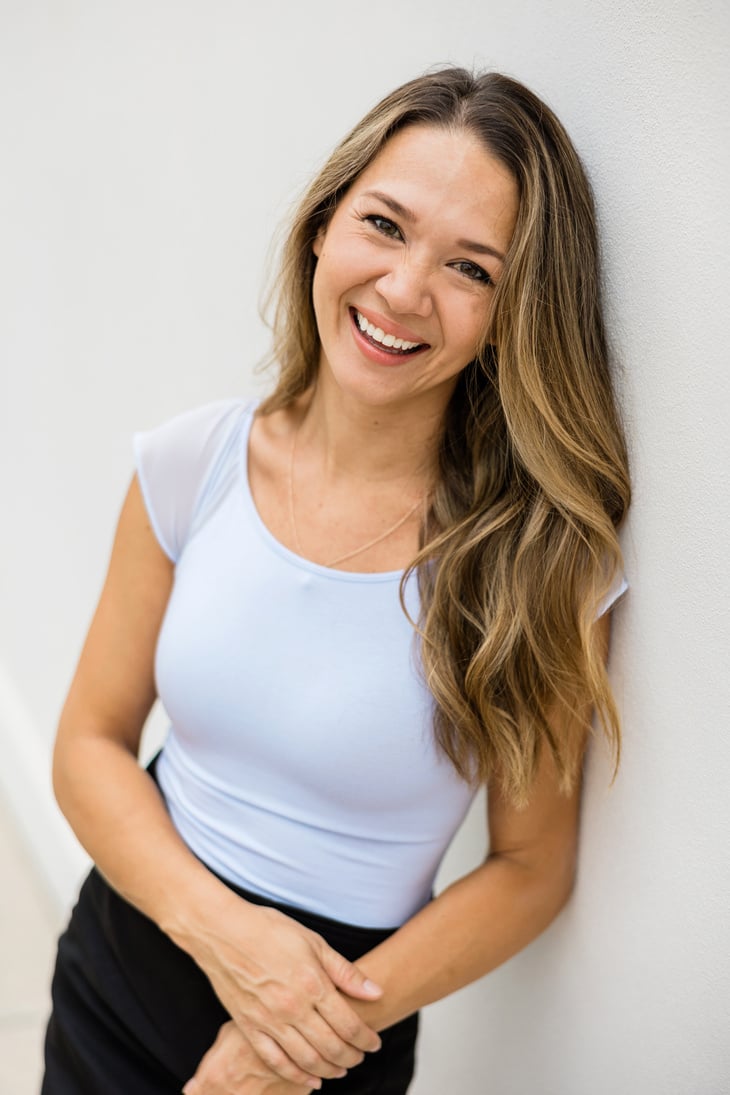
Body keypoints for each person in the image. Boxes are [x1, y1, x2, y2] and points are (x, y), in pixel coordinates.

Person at [42, 67, 630, 1095]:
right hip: (119, 970)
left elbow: (531, 872)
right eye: (385, 225)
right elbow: (89, 744)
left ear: (510, 315)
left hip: (333, 1042)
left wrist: (293, 1036)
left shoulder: (540, 563)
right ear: (322, 226)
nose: (403, 291)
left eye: (471, 269)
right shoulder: (193, 463)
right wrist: (228, 942)